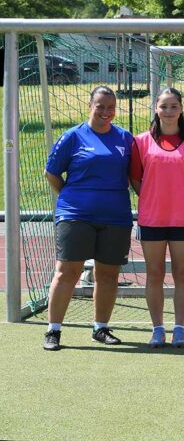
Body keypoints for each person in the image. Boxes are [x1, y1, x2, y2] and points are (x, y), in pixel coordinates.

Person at [42, 86, 133, 351]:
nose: (106, 112)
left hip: (115, 217)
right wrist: (72, 197)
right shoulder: (72, 136)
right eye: (100, 106)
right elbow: (52, 174)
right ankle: (53, 331)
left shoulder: (126, 139)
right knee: (67, 272)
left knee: (108, 275)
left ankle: (100, 328)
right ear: (90, 105)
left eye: (111, 107)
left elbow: (134, 174)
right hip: (75, 215)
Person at [130, 87, 184, 348]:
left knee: (182, 273)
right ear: (156, 109)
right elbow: (135, 178)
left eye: (174, 106)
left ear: (182, 109)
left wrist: (183, 202)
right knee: (154, 273)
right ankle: (157, 329)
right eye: (164, 106)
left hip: (182, 219)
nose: (169, 111)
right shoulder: (141, 142)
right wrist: (153, 198)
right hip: (151, 219)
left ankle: (179, 329)